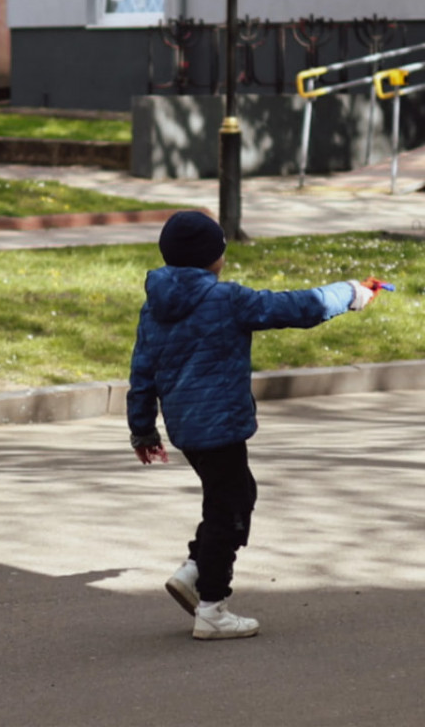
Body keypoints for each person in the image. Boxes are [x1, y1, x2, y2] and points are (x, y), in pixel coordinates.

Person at [127, 210, 378, 640]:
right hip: (221, 425)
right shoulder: (227, 300)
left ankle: (194, 570)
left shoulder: (155, 308)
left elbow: (142, 370)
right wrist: (350, 292)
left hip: (186, 427)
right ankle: (211, 606)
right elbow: (297, 307)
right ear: (213, 259)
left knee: (235, 495)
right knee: (229, 510)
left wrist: (143, 429)